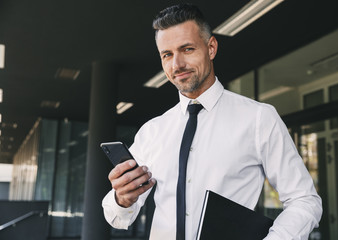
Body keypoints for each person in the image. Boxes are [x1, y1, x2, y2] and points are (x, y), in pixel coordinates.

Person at [102, 3, 322, 240]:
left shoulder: (258, 118)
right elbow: (117, 217)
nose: (177, 65)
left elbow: (304, 200)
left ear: (211, 48)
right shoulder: (152, 131)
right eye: (167, 55)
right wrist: (122, 199)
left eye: (187, 49)